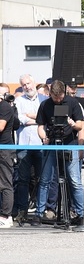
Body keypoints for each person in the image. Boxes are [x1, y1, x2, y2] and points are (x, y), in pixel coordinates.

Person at [34, 80, 84, 225]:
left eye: (60, 97)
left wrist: (72, 124)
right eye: (55, 97)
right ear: (50, 93)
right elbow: (40, 125)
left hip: (70, 143)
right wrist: (44, 137)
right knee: (44, 180)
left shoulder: (73, 103)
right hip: (51, 144)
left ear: (64, 92)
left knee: (75, 180)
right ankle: (39, 212)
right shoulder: (45, 105)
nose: (58, 100)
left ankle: (81, 214)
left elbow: (81, 125)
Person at [12, 75, 46, 220]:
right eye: (24, 85)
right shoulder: (19, 101)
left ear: (34, 83)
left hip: (41, 144)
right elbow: (21, 119)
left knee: (42, 179)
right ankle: (22, 210)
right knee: (23, 179)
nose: (27, 87)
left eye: (29, 83)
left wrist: (32, 117)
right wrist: (38, 120)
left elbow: (46, 119)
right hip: (24, 144)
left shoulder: (44, 99)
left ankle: (40, 210)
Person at [0, 91, 19, 228]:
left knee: (6, 183)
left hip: (5, 150)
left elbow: (1, 126)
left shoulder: (4, 107)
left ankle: (6, 216)